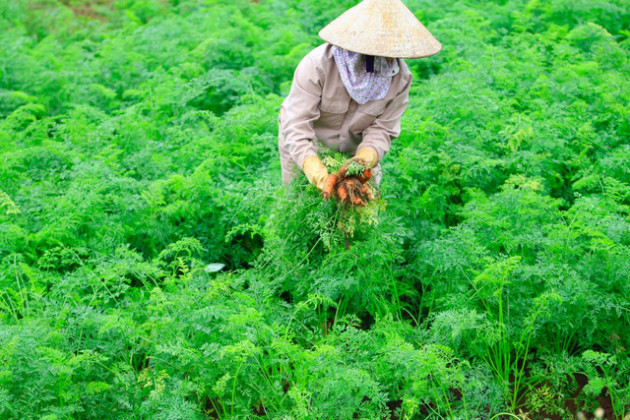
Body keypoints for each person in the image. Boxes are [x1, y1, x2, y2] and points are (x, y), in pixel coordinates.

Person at [278, 0, 441, 194]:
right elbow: (297, 124)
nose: (389, 60)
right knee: (296, 202)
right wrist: (319, 174)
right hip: (307, 147)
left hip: (355, 152)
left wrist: (360, 164)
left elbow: (382, 131)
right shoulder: (318, 66)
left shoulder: (400, 78)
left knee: (357, 211)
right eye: (383, 52)